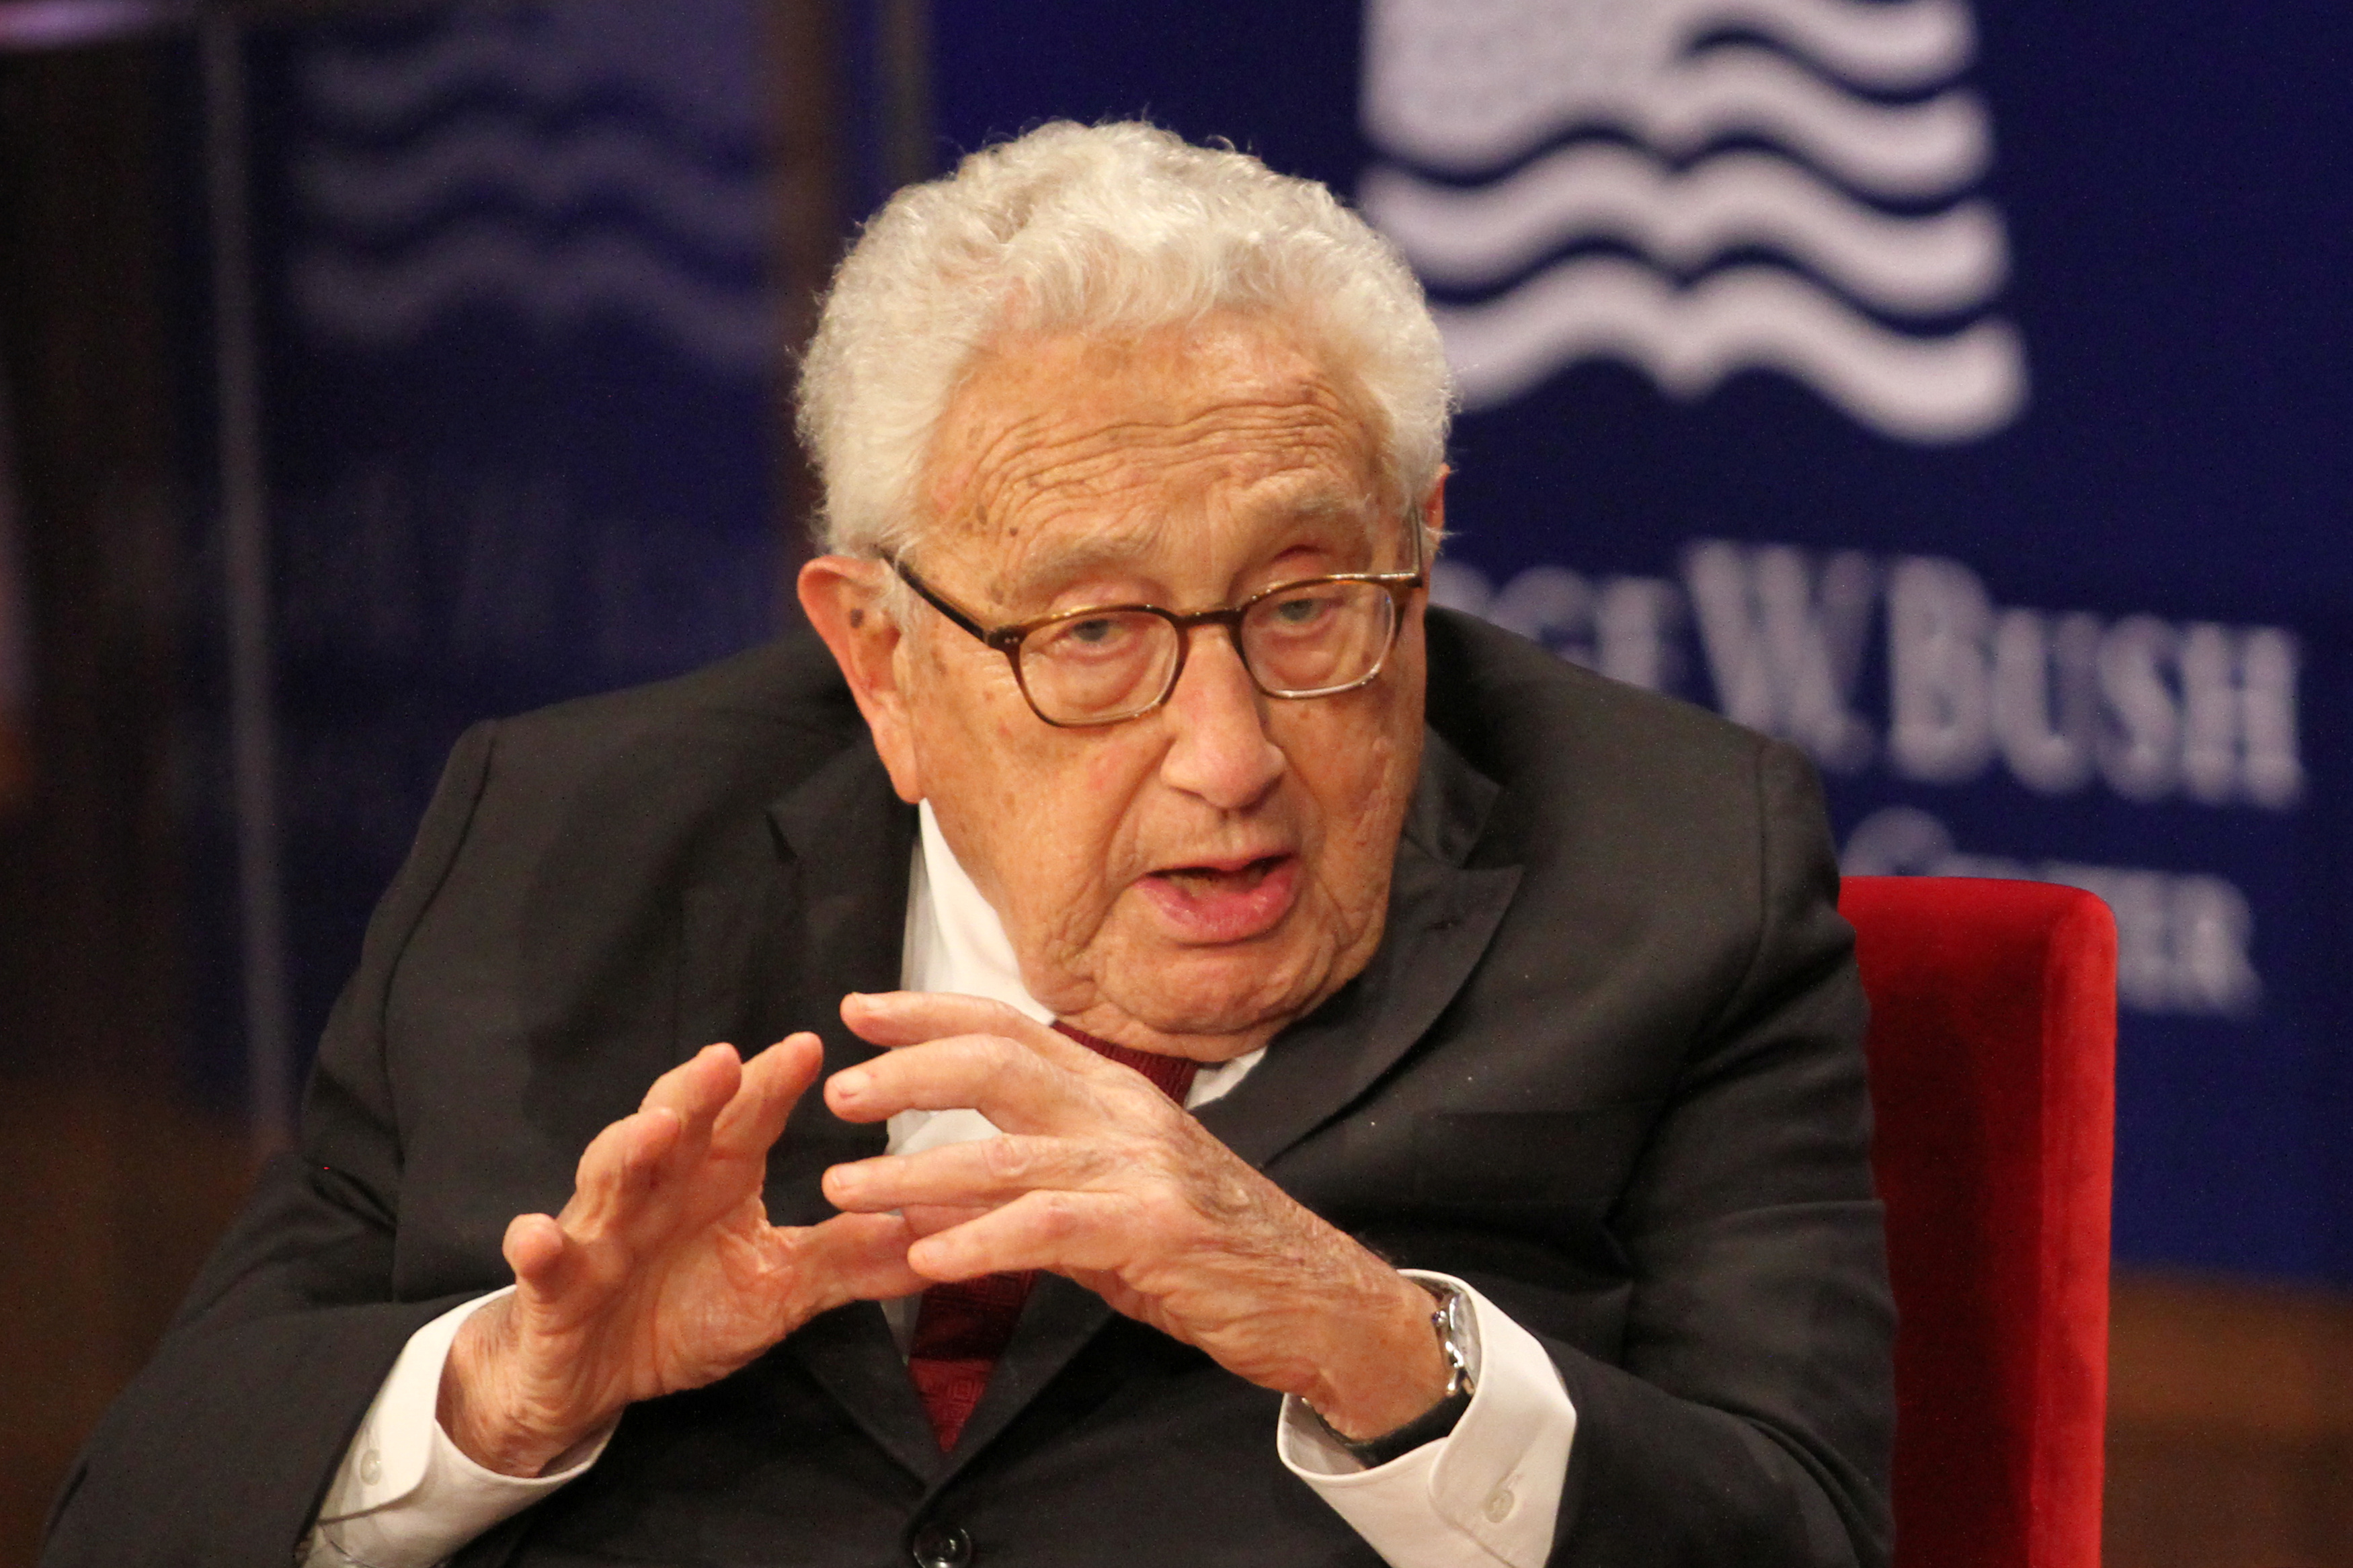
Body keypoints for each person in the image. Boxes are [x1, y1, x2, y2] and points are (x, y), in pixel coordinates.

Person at [42, 122, 1892, 1568]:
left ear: (1422, 543)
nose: (1229, 756)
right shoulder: (564, 847)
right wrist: (500, 1402)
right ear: (882, 658)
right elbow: (140, 1512)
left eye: (1312, 606)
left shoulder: (1668, 867)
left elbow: (1800, 1535)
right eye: (1092, 637)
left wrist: (1378, 1349)